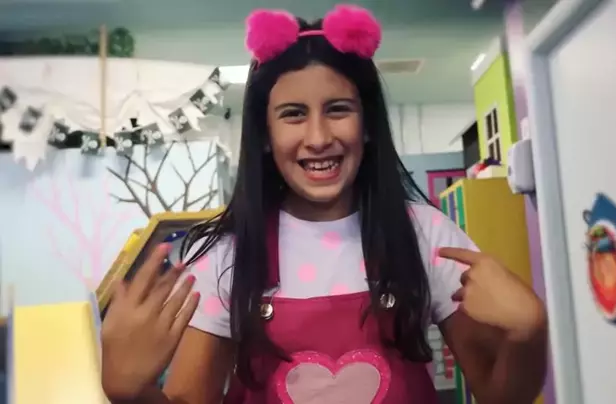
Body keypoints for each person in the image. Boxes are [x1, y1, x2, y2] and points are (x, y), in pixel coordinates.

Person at [100, 5, 548, 404]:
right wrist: (131, 393)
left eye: (337, 109)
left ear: (367, 124)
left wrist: (528, 334)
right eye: (293, 114)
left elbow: (500, 394)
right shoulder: (228, 254)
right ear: (264, 135)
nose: (318, 138)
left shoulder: (424, 234)